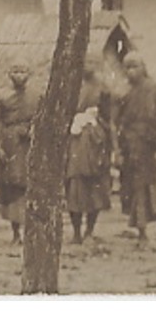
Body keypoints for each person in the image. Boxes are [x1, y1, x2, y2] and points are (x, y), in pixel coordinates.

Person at [115, 53, 156, 241]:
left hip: (149, 147)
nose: (131, 71)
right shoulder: (127, 93)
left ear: (143, 68)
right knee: (135, 189)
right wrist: (121, 150)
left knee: (153, 188)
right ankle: (142, 232)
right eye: (127, 67)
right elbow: (121, 123)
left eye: (135, 67)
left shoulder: (155, 90)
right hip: (132, 147)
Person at [0, 62, 41, 242]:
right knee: (13, 185)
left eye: (23, 71)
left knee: (30, 184)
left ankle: (31, 231)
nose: (19, 75)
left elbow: (41, 117)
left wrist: (34, 131)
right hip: (10, 142)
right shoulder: (2, 96)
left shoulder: (37, 95)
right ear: (9, 74)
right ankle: (15, 232)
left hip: (30, 142)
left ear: (29, 73)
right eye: (15, 71)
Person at [67, 65, 113, 244]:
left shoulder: (103, 89)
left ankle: (89, 231)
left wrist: (95, 122)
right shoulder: (69, 86)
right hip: (74, 142)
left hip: (95, 141)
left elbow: (108, 118)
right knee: (74, 186)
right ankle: (77, 231)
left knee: (95, 188)